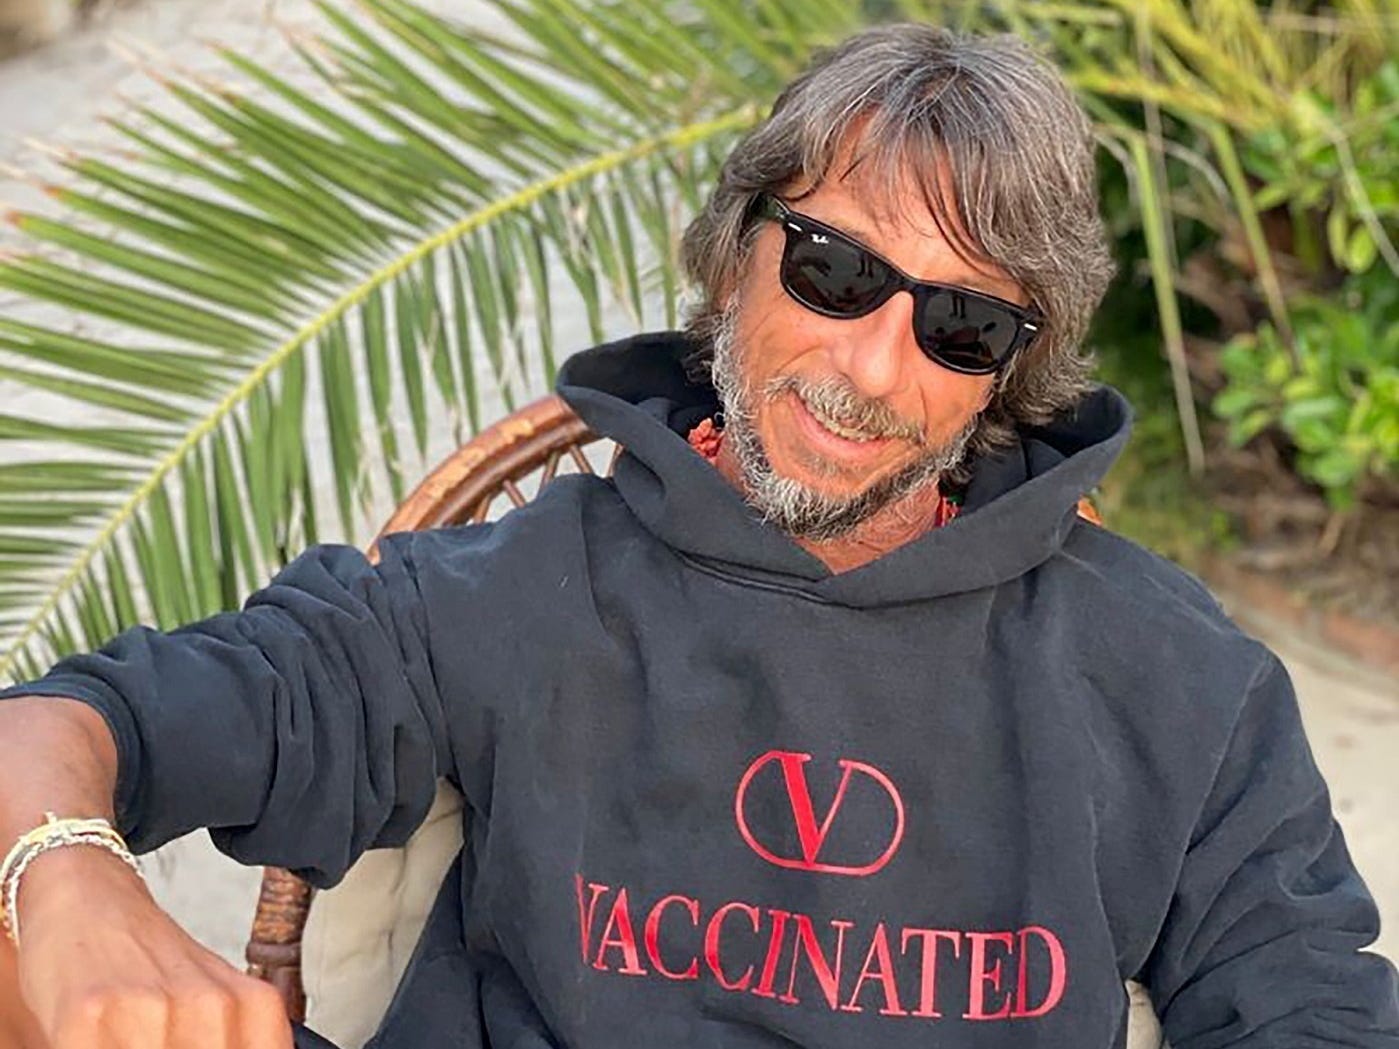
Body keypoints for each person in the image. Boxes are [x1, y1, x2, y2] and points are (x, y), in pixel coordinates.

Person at [0, 23, 1396, 1049]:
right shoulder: (509, 594)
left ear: (1004, 378)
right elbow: (70, 722)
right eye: (836, 270)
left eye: (963, 323)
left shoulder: (1173, 679)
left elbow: (1314, 1004)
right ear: (736, 255)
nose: (873, 366)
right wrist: (59, 870)